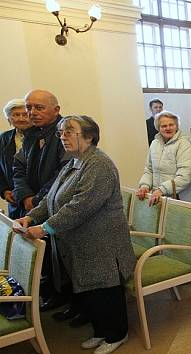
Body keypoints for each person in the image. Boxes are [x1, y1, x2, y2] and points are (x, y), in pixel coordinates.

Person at [14, 115, 135, 354]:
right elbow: (52, 198)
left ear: (89, 136)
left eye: (69, 132)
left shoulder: (98, 164)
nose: (63, 137)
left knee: (105, 290)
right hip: (80, 242)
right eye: (61, 133)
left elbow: (81, 206)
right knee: (90, 290)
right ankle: (101, 331)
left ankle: (116, 334)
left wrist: (45, 228)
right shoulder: (74, 161)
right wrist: (32, 217)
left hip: (102, 242)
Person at [13, 89, 70, 312]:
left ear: (56, 110)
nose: (32, 112)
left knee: (63, 255)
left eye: (39, 107)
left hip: (55, 202)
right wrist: (24, 195)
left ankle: (70, 297)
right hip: (33, 204)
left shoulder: (64, 132)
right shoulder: (31, 135)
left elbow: (63, 172)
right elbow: (18, 167)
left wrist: (37, 200)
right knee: (43, 253)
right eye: (29, 107)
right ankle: (53, 294)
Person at [137, 111, 191, 204]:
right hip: (157, 197)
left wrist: (162, 190)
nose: (168, 128)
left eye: (171, 125)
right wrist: (144, 186)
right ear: (158, 128)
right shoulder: (154, 144)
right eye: (164, 126)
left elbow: (185, 175)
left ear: (176, 126)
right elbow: (149, 170)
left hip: (178, 199)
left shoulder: (184, 144)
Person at [0, 99, 32, 218]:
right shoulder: (3, 139)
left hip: (38, 200)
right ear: (9, 119)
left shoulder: (42, 136)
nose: (21, 119)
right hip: (15, 201)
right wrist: (4, 190)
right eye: (16, 115)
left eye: (25, 114)